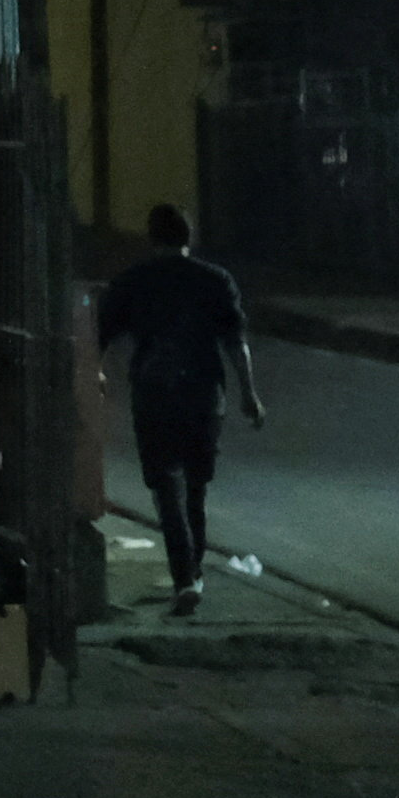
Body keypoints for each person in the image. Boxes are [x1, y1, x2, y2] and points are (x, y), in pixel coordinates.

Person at [93, 205, 266, 615]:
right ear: (189, 238)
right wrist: (249, 394)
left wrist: (94, 375)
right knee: (196, 487)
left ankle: (185, 577)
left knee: (164, 486)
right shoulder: (216, 281)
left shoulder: (133, 283)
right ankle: (195, 570)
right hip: (204, 393)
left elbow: (98, 336)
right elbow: (236, 343)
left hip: (153, 391)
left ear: (151, 238)